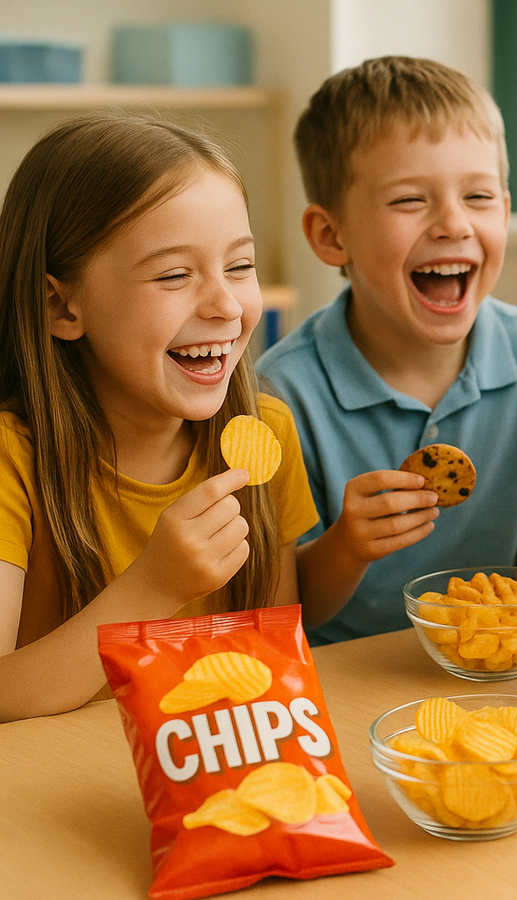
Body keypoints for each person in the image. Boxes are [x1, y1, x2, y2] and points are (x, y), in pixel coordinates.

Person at [0, 113, 319, 721]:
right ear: (60, 306)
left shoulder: (264, 434)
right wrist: (152, 588)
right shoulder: (10, 459)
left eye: (241, 266)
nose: (226, 304)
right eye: (174, 274)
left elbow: (275, 662)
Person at [258, 57, 517, 644]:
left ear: (505, 212)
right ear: (331, 237)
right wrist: (347, 547)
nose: (453, 224)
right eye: (411, 201)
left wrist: (514, 623)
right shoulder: (281, 395)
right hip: (347, 681)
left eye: (479, 196)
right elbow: (287, 610)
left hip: (495, 664)